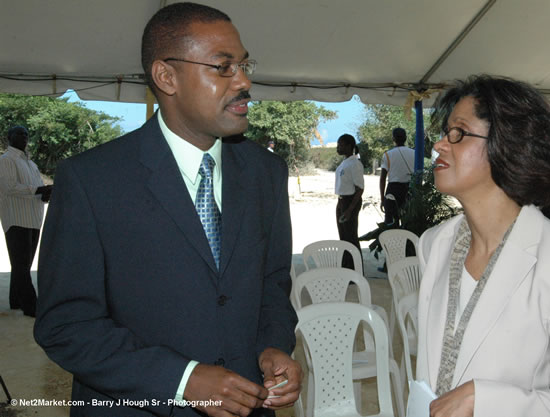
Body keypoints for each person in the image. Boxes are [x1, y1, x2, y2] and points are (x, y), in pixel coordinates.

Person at [34, 3, 301, 417]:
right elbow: (66, 326)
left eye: (245, 64)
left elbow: (271, 284)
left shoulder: (265, 172)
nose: (245, 81)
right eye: (223, 67)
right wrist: (183, 379)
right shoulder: (92, 180)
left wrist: (272, 345)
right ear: (166, 77)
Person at [417, 75, 550, 417]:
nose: (439, 145)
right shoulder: (434, 245)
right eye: (445, 132)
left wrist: (486, 401)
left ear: (508, 145)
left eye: (458, 133)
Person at [0, 126, 52, 317]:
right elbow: (9, 187)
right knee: (22, 266)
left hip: (33, 219)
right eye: (19, 134)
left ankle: (16, 301)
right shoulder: (6, 160)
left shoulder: (31, 164)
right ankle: (32, 307)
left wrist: (45, 193)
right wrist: (39, 190)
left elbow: (37, 188)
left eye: (26, 134)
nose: (24, 137)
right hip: (16, 219)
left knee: (23, 264)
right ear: (9, 137)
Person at [334, 134, 364, 270]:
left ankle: (356, 269)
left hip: (350, 201)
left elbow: (359, 189)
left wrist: (349, 210)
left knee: (351, 237)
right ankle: (346, 267)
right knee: (344, 236)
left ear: (349, 146)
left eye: (340, 145)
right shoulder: (345, 162)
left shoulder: (355, 164)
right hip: (341, 201)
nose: (338, 147)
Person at [379, 127, 414, 226]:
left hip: (393, 190)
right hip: (410, 189)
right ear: (406, 138)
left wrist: (382, 199)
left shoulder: (387, 155)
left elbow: (382, 179)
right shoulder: (414, 153)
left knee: (391, 223)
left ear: (393, 139)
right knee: (408, 222)